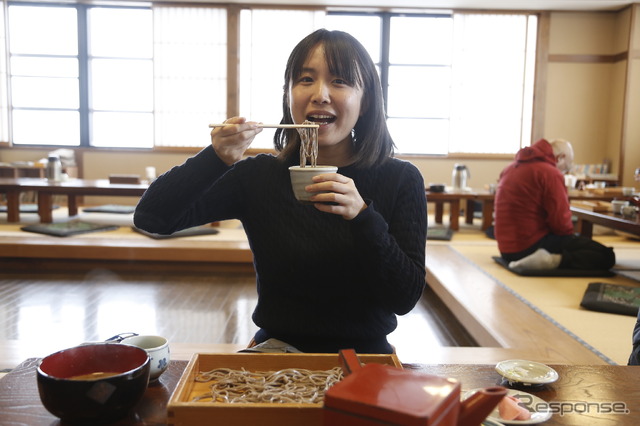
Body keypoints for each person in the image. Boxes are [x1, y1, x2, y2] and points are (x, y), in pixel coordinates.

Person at [133, 29, 427, 354]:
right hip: (275, 351)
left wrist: (363, 217)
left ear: (366, 99)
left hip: (365, 358)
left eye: (340, 81)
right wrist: (214, 158)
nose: (320, 94)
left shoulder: (401, 179)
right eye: (305, 79)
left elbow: (405, 298)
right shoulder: (258, 175)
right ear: (289, 94)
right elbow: (152, 217)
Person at [494, 138, 615, 270]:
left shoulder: (509, 169)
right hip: (530, 246)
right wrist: (570, 239)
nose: (563, 172)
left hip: (506, 250)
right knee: (606, 255)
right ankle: (551, 261)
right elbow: (561, 223)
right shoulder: (549, 172)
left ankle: (545, 258)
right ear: (561, 158)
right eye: (565, 168)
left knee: (579, 245)